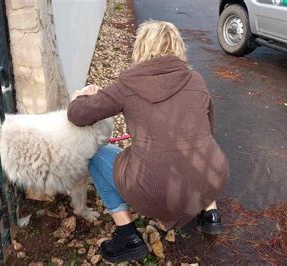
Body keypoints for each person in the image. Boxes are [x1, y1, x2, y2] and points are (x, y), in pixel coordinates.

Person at [67, 20, 229, 263]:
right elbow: (209, 132)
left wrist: (80, 97)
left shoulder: (127, 85)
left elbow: (77, 115)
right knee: (198, 145)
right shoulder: (196, 80)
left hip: (154, 191)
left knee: (96, 153)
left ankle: (128, 237)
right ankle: (210, 215)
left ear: (141, 47)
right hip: (211, 180)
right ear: (177, 47)